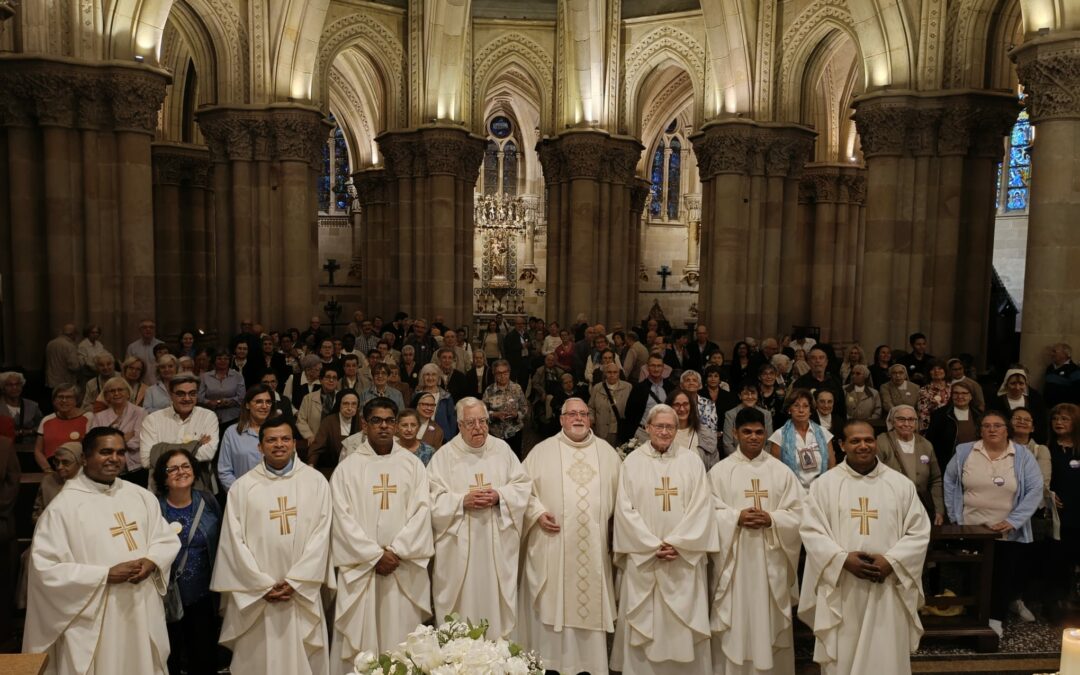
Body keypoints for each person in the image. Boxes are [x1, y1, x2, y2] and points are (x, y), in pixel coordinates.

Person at [23, 427, 181, 674]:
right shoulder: (63, 509)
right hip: (94, 617)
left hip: (140, 609)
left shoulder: (140, 496)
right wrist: (103, 575)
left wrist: (152, 561)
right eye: (105, 452)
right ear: (85, 457)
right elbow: (45, 569)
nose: (114, 458)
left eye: (120, 452)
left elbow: (164, 539)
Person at [799, 420, 931, 675]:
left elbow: (919, 531)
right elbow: (812, 531)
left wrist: (892, 561)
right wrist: (841, 560)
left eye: (868, 440)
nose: (863, 446)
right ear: (842, 445)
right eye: (855, 441)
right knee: (843, 654)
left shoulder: (900, 485)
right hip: (843, 586)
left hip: (887, 586)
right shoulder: (824, 485)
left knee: (886, 656)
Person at [211, 416, 333, 675]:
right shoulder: (242, 488)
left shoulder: (315, 482)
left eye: (285, 439)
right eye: (272, 440)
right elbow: (233, 541)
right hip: (257, 594)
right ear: (260, 446)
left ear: (294, 443)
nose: (279, 445)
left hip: (301, 591)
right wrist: (261, 584)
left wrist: (297, 581)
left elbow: (322, 536)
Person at [610, 404, 718, 675]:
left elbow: (701, 507)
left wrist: (678, 544)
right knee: (646, 623)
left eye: (670, 427)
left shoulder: (691, 461)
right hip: (645, 559)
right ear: (648, 428)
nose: (664, 431)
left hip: (682, 559)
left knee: (682, 627)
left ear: (677, 429)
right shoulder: (632, 462)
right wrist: (651, 546)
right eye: (659, 426)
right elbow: (624, 511)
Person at [518, 397, 621, 675]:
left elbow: (624, 501)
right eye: (571, 413)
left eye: (583, 413)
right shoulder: (542, 452)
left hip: (594, 549)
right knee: (554, 603)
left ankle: (590, 664)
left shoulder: (607, 454)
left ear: (590, 419)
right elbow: (519, 490)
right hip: (552, 545)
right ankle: (551, 664)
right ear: (561, 419)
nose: (578, 418)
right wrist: (537, 512)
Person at [329, 397, 433, 674]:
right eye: (377, 421)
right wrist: (375, 556)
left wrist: (397, 550)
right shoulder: (347, 469)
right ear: (365, 424)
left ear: (397, 425)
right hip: (363, 570)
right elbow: (341, 519)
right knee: (362, 644)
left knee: (402, 640)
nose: (384, 426)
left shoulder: (412, 465)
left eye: (390, 421)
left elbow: (423, 512)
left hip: (402, 566)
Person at [709, 407, 804, 675]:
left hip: (770, 562)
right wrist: (735, 517)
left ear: (766, 434)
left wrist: (772, 519)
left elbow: (799, 514)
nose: (753, 437)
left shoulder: (781, 472)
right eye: (747, 432)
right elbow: (706, 513)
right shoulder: (719, 472)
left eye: (759, 432)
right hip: (734, 564)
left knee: (768, 623)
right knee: (735, 622)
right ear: (735, 433)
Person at [427, 397, 532, 639]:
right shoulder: (444, 457)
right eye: (471, 422)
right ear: (460, 426)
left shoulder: (502, 450)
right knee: (462, 606)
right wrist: (461, 501)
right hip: (458, 546)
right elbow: (430, 499)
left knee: (493, 601)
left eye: (483, 421)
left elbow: (522, 485)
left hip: (496, 542)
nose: (479, 428)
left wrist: (499, 495)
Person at [944, 410, 1044, 636]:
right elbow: (950, 481)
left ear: (1007, 429)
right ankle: (971, 619)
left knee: (1001, 577)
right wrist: (955, 518)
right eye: (986, 426)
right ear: (980, 430)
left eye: (997, 425)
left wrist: (1013, 521)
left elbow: (1035, 489)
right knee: (972, 575)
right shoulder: (964, 451)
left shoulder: (1022, 455)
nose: (991, 430)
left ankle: (995, 619)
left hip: (1006, 531)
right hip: (971, 529)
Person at [155, 448, 222, 675]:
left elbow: (222, 541)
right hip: (166, 598)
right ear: (162, 476)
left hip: (204, 595)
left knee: (204, 656)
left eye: (185, 466)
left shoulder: (209, 501)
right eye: (172, 468)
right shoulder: (154, 508)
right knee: (170, 657)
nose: (180, 472)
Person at [139, 374, 220, 493]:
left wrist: (160, 450)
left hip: (199, 490)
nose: (187, 398)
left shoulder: (208, 416)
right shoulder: (152, 420)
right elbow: (146, 460)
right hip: (161, 491)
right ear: (171, 395)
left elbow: (208, 454)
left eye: (192, 393)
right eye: (181, 394)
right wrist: (195, 445)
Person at [877, 405, 945, 525]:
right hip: (890, 508)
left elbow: (936, 479)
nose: (906, 423)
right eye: (901, 419)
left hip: (920, 507)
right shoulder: (882, 442)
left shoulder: (925, 444)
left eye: (911, 419)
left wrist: (939, 510)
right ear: (892, 421)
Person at [1046, 403, 1080, 621]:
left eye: (1064, 419)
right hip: (1059, 517)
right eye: (1056, 418)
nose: (1058, 422)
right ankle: (1056, 606)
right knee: (1058, 561)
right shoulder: (1047, 449)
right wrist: (1048, 495)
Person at [769, 389, 835, 489]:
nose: (801, 410)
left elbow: (831, 466)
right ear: (789, 409)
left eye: (805, 406)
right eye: (796, 405)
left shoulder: (824, 433)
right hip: (791, 492)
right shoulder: (779, 435)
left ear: (810, 410)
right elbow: (775, 471)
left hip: (821, 490)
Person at [217, 386, 275, 492]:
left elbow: (290, 464)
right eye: (259, 402)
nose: (264, 406)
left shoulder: (279, 431)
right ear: (247, 405)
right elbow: (224, 471)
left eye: (268, 402)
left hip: (274, 494)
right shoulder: (232, 433)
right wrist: (241, 493)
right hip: (242, 495)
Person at [90, 377, 148, 482]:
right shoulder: (99, 417)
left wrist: (109, 442)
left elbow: (138, 442)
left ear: (128, 393)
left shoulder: (140, 413)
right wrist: (124, 438)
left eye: (120, 390)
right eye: (112, 391)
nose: (116, 393)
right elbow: (95, 443)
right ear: (106, 396)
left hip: (136, 468)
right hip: (108, 468)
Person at [925, 381, 983, 473]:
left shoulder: (979, 415)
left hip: (975, 463)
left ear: (971, 396)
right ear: (951, 395)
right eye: (956, 393)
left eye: (964, 393)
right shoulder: (939, 415)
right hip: (947, 464)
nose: (960, 397)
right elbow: (931, 441)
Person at [33, 384, 93, 472]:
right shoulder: (47, 420)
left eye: (69, 397)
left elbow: (92, 448)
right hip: (52, 469)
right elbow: (38, 450)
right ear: (54, 401)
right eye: (60, 397)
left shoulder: (88, 418)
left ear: (76, 400)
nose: (64, 400)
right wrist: (48, 470)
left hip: (80, 470)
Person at [307, 390, 362, 471]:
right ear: (339, 404)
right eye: (346, 403)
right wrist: (311, 465)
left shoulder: (361, 422)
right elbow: (317, 446)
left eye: (354, 404)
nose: (350, 408)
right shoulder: (328, 421)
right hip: (331, 468)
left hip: (355, 468)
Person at [483, 359, 528, 458]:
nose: (502, 376)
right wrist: (495, 415)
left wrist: (517, 414)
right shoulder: (489, 390)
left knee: (515, 459)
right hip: (496, 433)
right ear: (494, 374)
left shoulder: (517, 388)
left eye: (505, 372)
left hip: (515, 431)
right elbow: (483, 412)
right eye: (499, 373)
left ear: (509, 372)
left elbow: (524, 407)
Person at [991, 367, 1048, 443]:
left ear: (1026, 385)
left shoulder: (1035, 401)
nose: (1017, 387)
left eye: (1021, 383)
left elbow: (1041, 425)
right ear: (1006, 384)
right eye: (1013, 383)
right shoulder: (996, 402)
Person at [793, 346, 848, 420]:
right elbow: (796, 408)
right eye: (813, 358)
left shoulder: (835, 382)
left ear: (826, 362)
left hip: (833, 425)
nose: (817, 361)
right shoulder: (800, 383)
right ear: (808, 362)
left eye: (821, 358)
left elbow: (841, 408)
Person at [722, 382, 775, 457]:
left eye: (753, 393)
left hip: (761, 460)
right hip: (737, 460)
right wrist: (741, 460)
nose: (750, 397)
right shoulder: (730, 415)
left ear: (757, 395)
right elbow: (727, 444)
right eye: (746, 394)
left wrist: (759, 459)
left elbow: (769, 443)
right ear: (740, 396)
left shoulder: (766, 414)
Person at [199, 348, 246, 429]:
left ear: (229, 360)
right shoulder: (205, 377)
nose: (222, 361)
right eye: (219, 358)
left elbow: (242, 397)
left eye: (226, 359)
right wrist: (209, 402)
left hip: (233, 417)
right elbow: (199, 397)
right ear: (214, 360)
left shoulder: (238, 376)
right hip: (209, 415)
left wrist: (231, 401)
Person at [296, 366, 341, 445]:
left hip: (336, 443)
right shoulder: (308, 398)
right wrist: (309, 436)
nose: (331, 380)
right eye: (328, 377)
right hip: (314, 441)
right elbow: (301, 420)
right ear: (321, 380)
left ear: (337, 381)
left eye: (334, 378)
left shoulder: (342, 398)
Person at [589, 363, 631, 446]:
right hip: (601, 430)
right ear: (605, 373)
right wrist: (591, 419)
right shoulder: (597, 388)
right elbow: (590, 407)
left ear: (619, 373)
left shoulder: (628, 387)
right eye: (609, 372)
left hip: (620, 431)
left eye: (615, 372)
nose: (612, 375)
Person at [413, 363, 458, 441]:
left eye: (434, 375)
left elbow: (452, 421)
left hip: (443, 437)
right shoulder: (416, 395)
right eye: (427, 374)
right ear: (422, 377)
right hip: (419, 436)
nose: (430, 378)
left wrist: (451, 439)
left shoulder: (446, 397)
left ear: (438, 378)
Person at [45, 324, 82, 393]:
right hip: (64, 383)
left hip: (50, 381)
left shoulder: (50, 343)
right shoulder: (69, 346)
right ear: (72, 334)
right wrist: (81, 360)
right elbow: (74, 367)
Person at [127, 319, 165, 385]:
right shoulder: (132, 347)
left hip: (158, 383)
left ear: (154, 330)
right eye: (144, 327)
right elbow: (128, 368)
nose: (148, 329)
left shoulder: (162, 346)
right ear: (140, 330)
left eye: (151, 327)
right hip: (139, 384)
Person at [916, 361, 951, 431]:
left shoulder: (953, 387)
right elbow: (923, 414)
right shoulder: (923, 390)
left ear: (945, 371)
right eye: (933, 369)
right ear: (929, 373)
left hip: (953, 424)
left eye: (940, 368)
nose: (936, 371)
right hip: (934, 426)